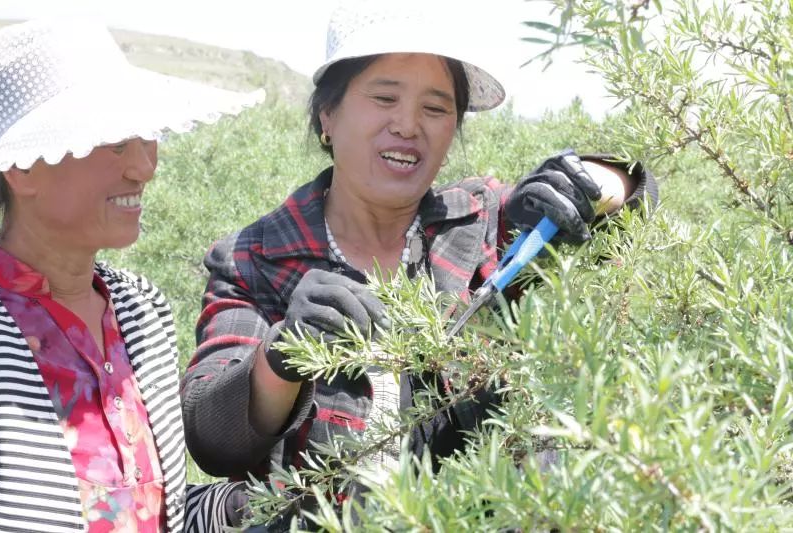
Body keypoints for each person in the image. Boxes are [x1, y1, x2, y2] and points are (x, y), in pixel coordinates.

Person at [181, 0, 658, 525]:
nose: (408, 125)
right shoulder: (255, 258)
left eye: (435, 108)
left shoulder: (489, 226)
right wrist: (282, 356)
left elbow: (630, 197)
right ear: (327, 115)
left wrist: (602, 182)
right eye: (384, 97)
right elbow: (213, 440)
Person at [0, 19, 265, 532]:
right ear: (23, 168)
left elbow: (154, 513)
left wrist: (242, 505)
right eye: (115, 143)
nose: (143, 166)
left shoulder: (140, 308)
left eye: (148, 138)